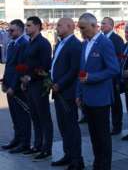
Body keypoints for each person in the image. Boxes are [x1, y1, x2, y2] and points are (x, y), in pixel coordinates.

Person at [76, 13, 119, 170]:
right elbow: (81, 71)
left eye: (83, 28)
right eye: (79, 28)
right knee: (94, 136)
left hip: (101, 98)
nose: (81, 31)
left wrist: (92, 77)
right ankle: (97, 164)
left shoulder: (105, 43)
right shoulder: (85, 44)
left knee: (103, 136)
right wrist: (79, 94)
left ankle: (104, 166)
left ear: (94, 26)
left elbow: (114, 69)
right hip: (87, 97)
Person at [50, 18, 84, 170]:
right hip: (58, 92)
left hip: (68, 93)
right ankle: (68, 154)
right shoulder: (59, 43)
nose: (56, 27)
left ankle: (77, 160)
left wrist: (59, 84)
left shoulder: (75, 45)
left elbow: (74, 70)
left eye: (59, 25)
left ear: (70, 26)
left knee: (71, 127)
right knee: (63, 126)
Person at [21, 16, 53, 159]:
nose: (26, 28)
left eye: (28, 25)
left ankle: (47, 148)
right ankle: (37, 145)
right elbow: (27, 63)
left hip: (40, 85)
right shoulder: (29, 42)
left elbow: (45, 66)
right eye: (26, 25)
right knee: (34, 116)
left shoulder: (43, 43)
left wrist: (31, 77)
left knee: (44, 117)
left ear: (37, 26)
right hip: (29, 85)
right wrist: (24, 78)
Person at [1, 19, 31, 154]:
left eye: (11, 30)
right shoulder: (13, 44)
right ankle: (17, 139)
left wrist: (13, 86)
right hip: (10, 85)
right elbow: (10, 66)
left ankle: (24, 143)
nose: (9, 32)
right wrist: (5, 82)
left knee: (22, 116)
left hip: (17, 87)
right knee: (14, 115)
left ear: (19, 30)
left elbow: (21, 68)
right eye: (8, 30)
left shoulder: (23, 44)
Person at [101, 17, 124, 135]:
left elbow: (120, 59)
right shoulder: (100, 39)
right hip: (103, 77)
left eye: (104, 23)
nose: (102, 25)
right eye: (101, 23)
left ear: (111, 26)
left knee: (115, 103)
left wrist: (117, 78)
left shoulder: (117, 39)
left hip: (113, 77)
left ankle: (117, 126)